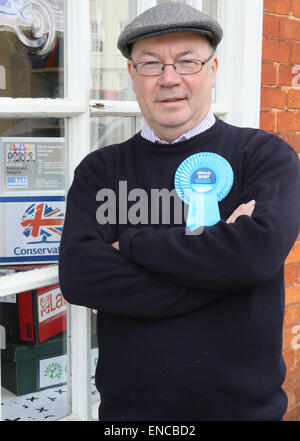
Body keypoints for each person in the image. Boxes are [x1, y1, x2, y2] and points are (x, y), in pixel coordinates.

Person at [59, 2, 300, 421]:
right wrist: (225, 271)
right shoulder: (100, 171)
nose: (169, 79)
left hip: (244, 413)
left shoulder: (264, 156)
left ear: (213, 68)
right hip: (130, 418)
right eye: (151, 64)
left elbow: (255, 256)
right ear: (133, 76)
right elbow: (80, 277)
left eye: (187, 62)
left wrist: (129, 243)